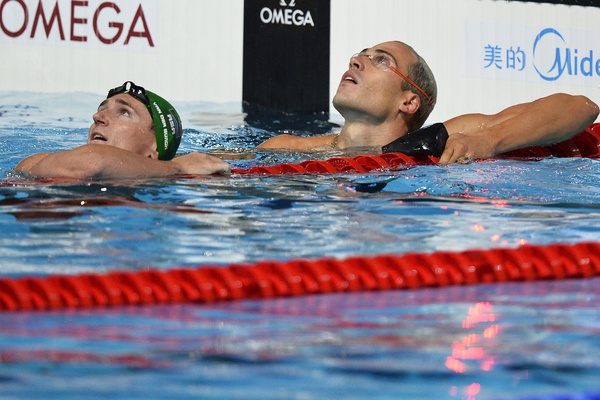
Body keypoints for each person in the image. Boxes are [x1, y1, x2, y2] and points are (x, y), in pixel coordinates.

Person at [257, 41, 599, 164]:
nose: (356, 61)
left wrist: (487, 140)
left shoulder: (447, 138)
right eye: (359, 54)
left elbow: (581, 107)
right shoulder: (287, 147)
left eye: (381, 60)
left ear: (409, 102)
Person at [15, 81, 230, 179]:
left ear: (154, 147)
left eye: (124, 112)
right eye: (102, 109)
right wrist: (176, 167)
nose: (97, 117)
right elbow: (93, 163)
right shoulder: (42, 159)